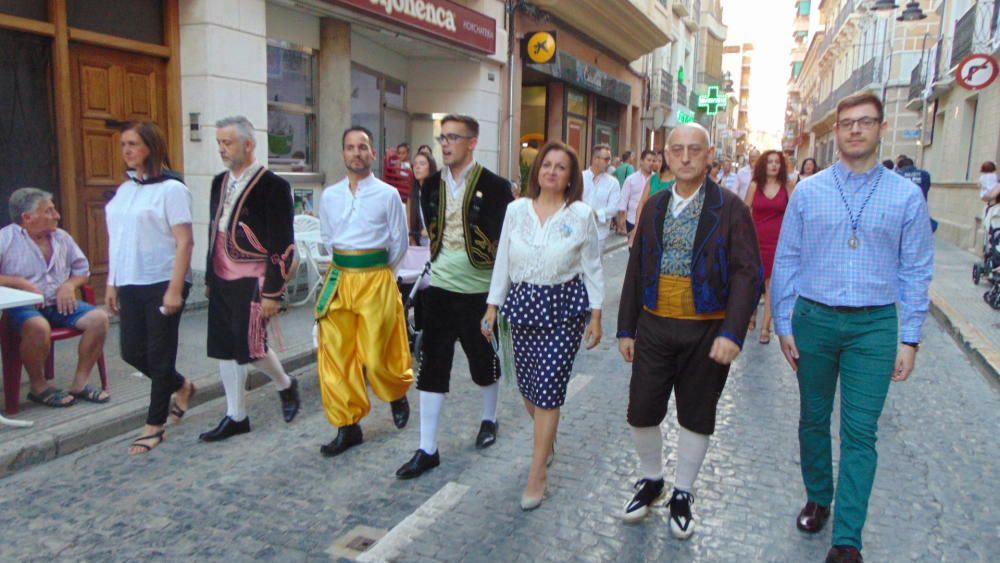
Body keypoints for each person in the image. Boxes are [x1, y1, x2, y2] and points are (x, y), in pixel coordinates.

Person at [772, 93, 934, 563]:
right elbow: (788, 258)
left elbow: (917, 269)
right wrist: (783, 322)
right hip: (814, 320)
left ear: (880, 128)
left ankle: (847, 538)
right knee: (812, 419)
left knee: (861, 433)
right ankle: (818, 496)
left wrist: (911, 338)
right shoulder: (809, 190)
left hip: (874, 326)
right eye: (847, 123)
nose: (855, 130)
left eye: (865, 122)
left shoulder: (905, 195)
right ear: (836, 131)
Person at [617, 123, 762, 538]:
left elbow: (747, 273)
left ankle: (683, 491)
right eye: (677, 150)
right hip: (655, 325)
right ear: (665, 154)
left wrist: (732, 333)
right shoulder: (656, 205)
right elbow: (637, 266)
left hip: (706, 328)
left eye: (694, 150)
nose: (684, 157)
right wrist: (627, 326)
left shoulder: (731, 208)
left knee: (697, 415)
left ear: (709, 155)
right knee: (641, 409)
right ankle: (651, 479)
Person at [482, 141, 604, 510]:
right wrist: (492, 306)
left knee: (549, 389)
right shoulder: (516, 210)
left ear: (571, 176)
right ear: (538, 172)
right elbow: (502, 258)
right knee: (528, 390)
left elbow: (593, 266)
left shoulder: (582, 215)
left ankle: (538, 473)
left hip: (564, 308)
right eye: (546, 165)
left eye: (560, 167)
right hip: (521, 305)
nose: (551, 171)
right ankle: (546, 439)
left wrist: (596, 315)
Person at [395, 114, 514, 480]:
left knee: (483, 361)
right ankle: (427, 448)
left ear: (472, 142)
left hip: (480, 290)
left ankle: (489, 419)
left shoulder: (496, 187)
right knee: (432, 366)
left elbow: (507, 246)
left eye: (453, 138)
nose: (445, 144)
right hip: (441, 289)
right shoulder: (429, 185)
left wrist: (499, 297)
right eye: (442, 137)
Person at [198, 116, 301, 443]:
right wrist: (209, 274)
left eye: (227, 142)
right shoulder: (219, 182)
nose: (222, 149)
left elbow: (282, 242)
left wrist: (273, 292)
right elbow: (213, 230)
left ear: (249, 144)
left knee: (252, 349)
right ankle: (236, 415)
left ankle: (286, 383)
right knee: (226, 348)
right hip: (221, 275)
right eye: (219, 143)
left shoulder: (274, 186)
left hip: (255, 279)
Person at [315, 126, 413, 457]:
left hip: (376, 278)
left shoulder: (388, 195)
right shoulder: (329, 196)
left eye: (363, 147)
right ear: (343, 153)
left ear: (373, 153)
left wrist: (383, 277)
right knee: (336, 354)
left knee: (377, 351)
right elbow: (328, 238)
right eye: (350, 147)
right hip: (340, 278)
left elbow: (399, 242)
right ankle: (347, 425)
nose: (356, 152)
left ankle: (396, 392)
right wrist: (344, 269)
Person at [105, 121, 195, 455]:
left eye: (133, 144)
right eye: (123, 144)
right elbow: (117, 240)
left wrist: (175, 289)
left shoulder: (171, 189)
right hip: (129, 280)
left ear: (152, 147)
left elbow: (185, 242)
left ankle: (154, 425)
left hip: (162, 279)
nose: (126, 150)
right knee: (131, 351)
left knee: (160, 353)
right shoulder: (126, 189)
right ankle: (182, 385)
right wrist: (111, 283)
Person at [0, 188, 110, 408]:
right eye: (49, 211)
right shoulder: (6, 239)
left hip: (58, 304)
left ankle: (80, 383)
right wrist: (20, 283)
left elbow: (82, 270)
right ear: (27, 217)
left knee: (99, 319)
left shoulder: (61, 237)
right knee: (38, 327)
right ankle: (38, 386)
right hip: (22, 307)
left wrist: (68, 286)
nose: (57, 215)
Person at [745, 150, 794, 344]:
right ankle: (752, 314)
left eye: (777, 162)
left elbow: (795, 210)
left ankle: (766, 326)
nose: (773, 165)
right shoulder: (755, 186)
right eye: (769, 162)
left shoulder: (788, 186)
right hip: (756, 241)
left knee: (771, 286)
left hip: (779, 242)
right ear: (763, 165)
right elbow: (745, 210)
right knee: (755, 281)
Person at [582, 143, 622, 251]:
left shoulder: (613, 183)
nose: (609, 163)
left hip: (599, 234)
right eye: (606, 159)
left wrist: (596, 213)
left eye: (609, 159)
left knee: (595, 267)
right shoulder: (580, 178)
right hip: (578, 231)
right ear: (595, 159)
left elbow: (614, 208)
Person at [632, 147, 675, 235]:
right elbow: (642, 203)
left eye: (659, 161)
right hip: (650, 224)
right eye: (655, 161)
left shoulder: (677, 181)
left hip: (668, 228)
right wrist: (637, 226)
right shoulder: (653, 179)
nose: (655, 164)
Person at [617, 149, 656, 234]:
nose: (651, 163)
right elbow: (623, 199)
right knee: (632, 246)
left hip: (651, 221)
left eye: (653, 161)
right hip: (632, 220)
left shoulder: (656, 180)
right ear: (641, 161)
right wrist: (622, 218)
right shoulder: (631, 179)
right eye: (648, 160)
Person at [407, 151, 438, 246]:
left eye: (422, 164)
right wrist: (413, 242)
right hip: (420, 247)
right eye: (415, 164)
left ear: (431, 167)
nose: (417, 167)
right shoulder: (412, 196)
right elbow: (410, 229)